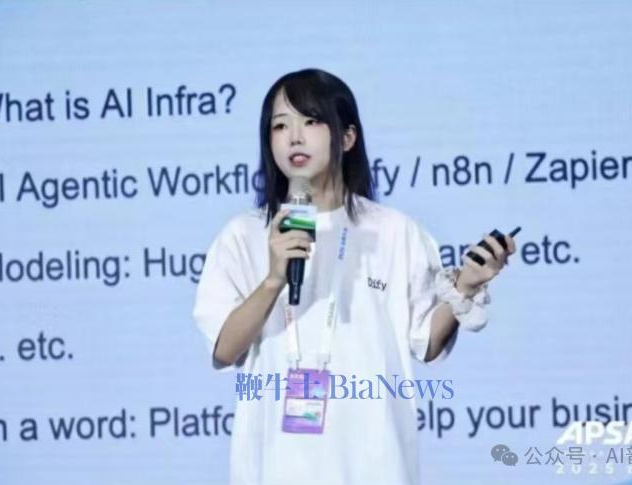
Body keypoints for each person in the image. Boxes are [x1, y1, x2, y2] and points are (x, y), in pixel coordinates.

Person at [192, 68, 516, 485]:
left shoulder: (394, 232)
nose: (294, 138)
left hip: (374, 462)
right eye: (280, 125)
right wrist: (273, 279)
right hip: (276, 464)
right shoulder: (244, 235)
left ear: (347, 137)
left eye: (311, 121)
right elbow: (224, 350)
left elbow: (427, 342)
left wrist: (465, 287)